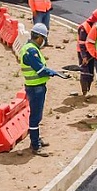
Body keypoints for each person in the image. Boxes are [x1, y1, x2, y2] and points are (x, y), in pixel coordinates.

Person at [19, 23, 70, 156]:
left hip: (37, 86)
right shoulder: (31, 51)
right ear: (39, 37)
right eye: (44, 39)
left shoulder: (30, 48)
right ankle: (35, 145)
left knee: (37, 115)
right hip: (35, 87)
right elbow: (40, 70)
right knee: (35, 117)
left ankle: (36, 139)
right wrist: (54, 72)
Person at [76, 8, 97, 98]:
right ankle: (85, 91)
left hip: (92, 52)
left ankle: (88, 88)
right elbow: (82, 44)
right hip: (83, 52)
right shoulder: (84, 28)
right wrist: (84, 57)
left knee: (91, 72)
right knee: (85, 71)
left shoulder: (96, 26)